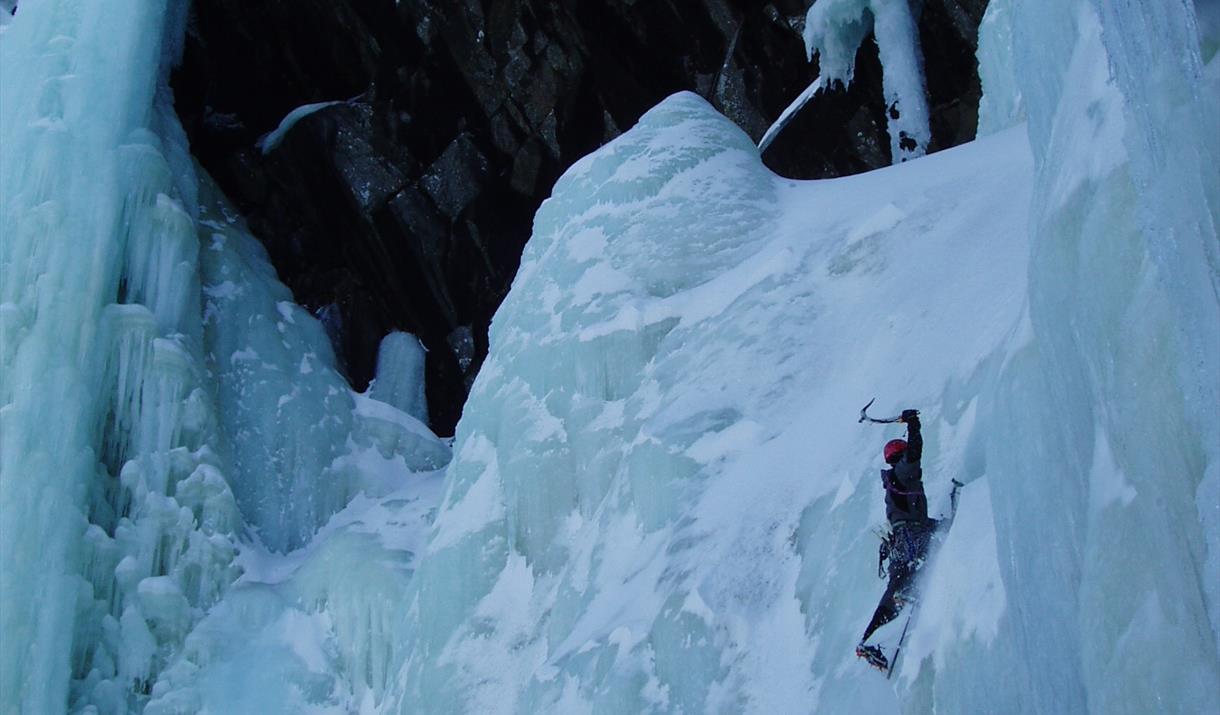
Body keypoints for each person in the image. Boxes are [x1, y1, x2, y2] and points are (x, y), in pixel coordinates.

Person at [856, 408, 933, 671]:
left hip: (899, 542)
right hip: (911, 536)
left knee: (892, 592)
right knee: (915, 564)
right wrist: (914, 423)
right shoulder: (903, 471)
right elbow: (915, 452)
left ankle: (868, 642)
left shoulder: (891, 482)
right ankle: (903, 594)